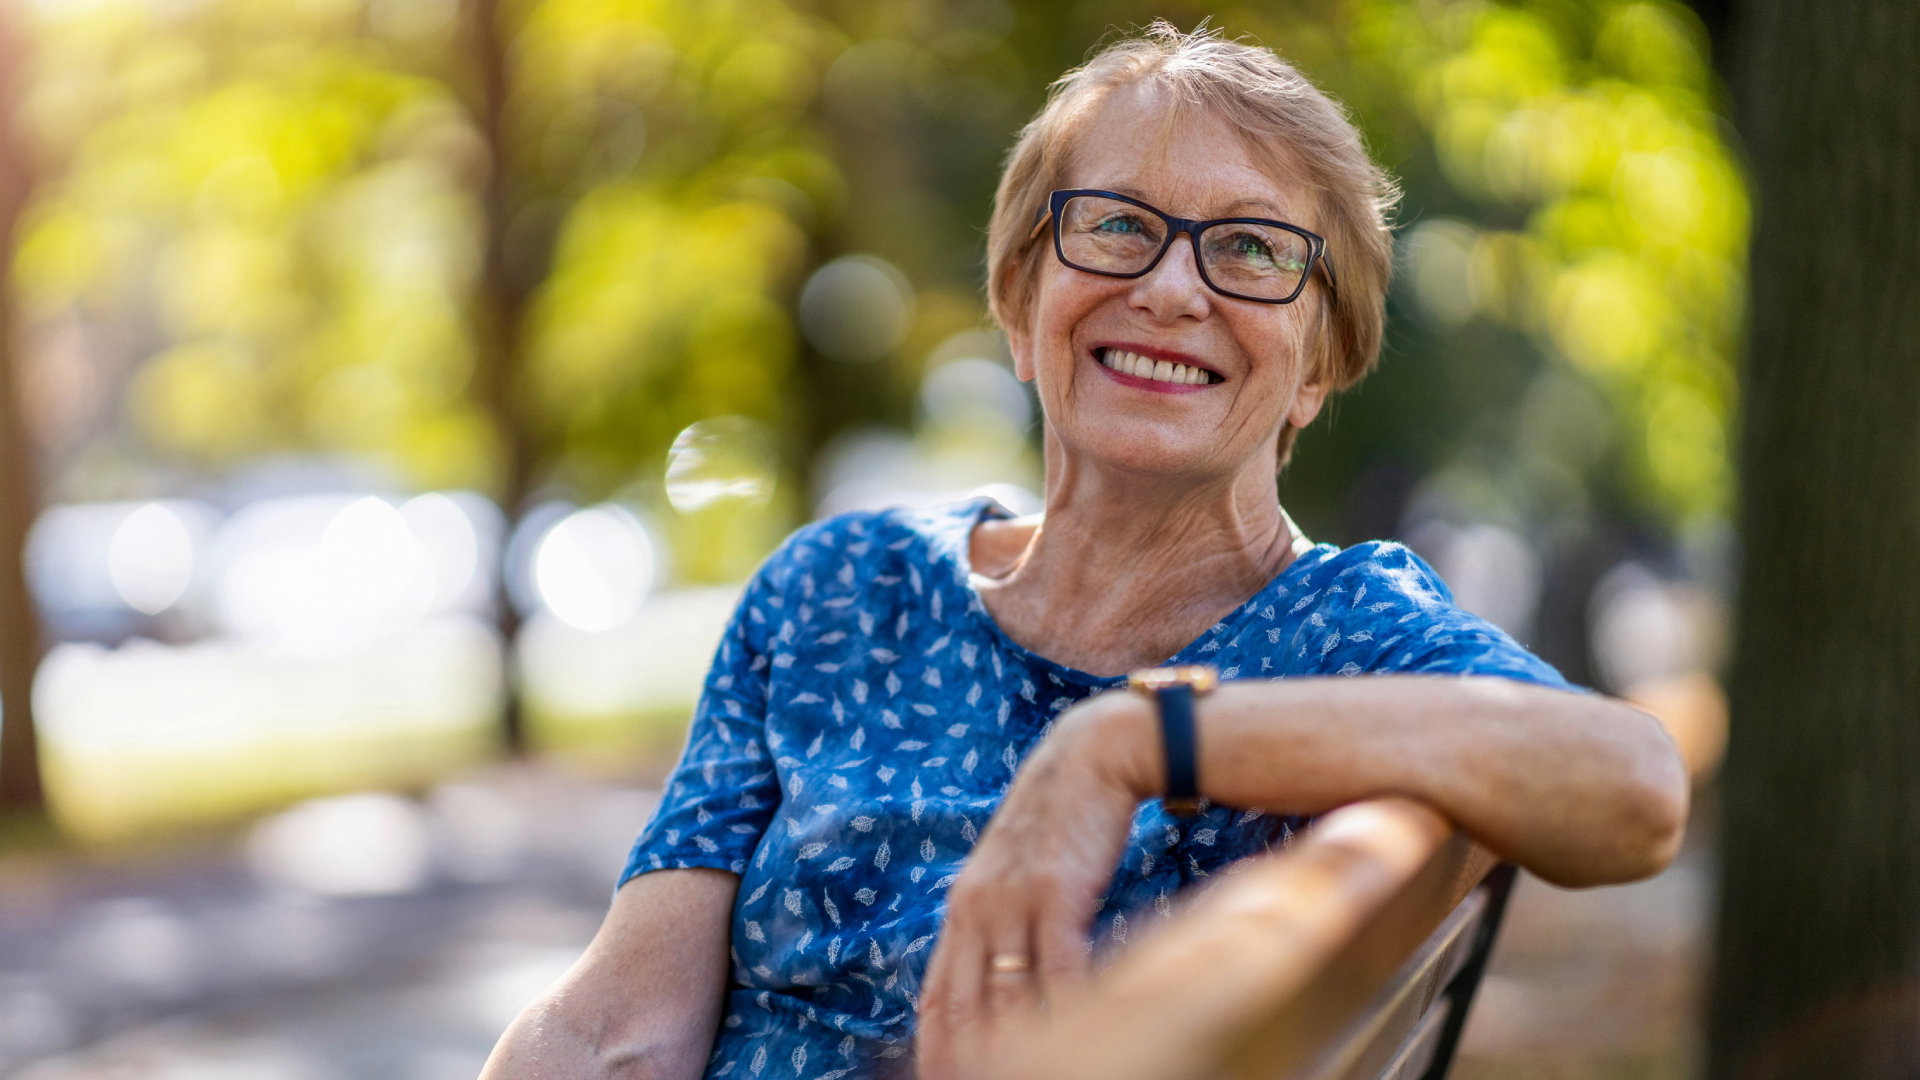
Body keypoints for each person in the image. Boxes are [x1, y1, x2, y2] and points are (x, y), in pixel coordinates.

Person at [479, 23, 1688, 1080]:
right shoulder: (839, 589)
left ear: (1320, 364)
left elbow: (1634, 786)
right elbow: (620, 1029)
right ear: (1019, 305)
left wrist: (1132, 744)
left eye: (1251, 249)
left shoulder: (1341, 632)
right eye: (1115, 225)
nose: (1170, 288)